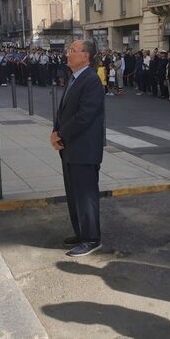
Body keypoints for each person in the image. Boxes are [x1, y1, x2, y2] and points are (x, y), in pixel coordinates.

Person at [51, 40, 105, 257]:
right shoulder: (74, 78)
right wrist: (56, 132)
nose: (67, 54)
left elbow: (84, 116)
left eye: (72, 51)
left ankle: (92, 239)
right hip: (70, 148)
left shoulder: (91, 81)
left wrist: (61, 134)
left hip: (84, 149)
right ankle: (81, 233)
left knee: (85, 196)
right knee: (73, 195)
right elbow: (64, 111)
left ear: (86, 56)